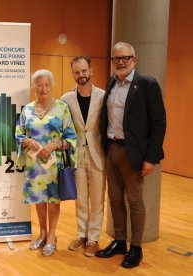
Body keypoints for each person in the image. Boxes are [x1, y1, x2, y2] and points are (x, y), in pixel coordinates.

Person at [96, 42, 166, 268]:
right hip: (112, 149)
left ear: (134, 59)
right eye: (117, 58)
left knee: (135, 201)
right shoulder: (111, 83)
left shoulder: (147, 84)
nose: (121, 62)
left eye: (126, 57)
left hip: (134, 153)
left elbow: (158, 123)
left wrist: (151, 157)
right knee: (114, 199)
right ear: (112, 62)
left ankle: (136, 247)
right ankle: (119, 241)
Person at [15, 69, 77, 257]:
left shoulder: (62, 108)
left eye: (46, 84)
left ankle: (52, 235)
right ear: (34, 87)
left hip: (53, 164)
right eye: (39, 85)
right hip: (34, 165)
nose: (43, 88)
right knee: (38, 199)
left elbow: (71, 138)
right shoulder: (27, 109)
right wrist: (27, 141)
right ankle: (41, 233)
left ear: (52, 86)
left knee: (52, 199)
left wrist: (56, 144)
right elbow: (19, 134)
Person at [61, 56, 106, 257]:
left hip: (98, 156)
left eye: (84, 71)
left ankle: (93, 238)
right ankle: (81, 234)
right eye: (77, 72)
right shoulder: (66, 100)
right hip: (76, 155)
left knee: (96, 200)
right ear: (73, 74)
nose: (81, 75)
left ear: (91, 71)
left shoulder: (104, 96)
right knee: (80, 199)